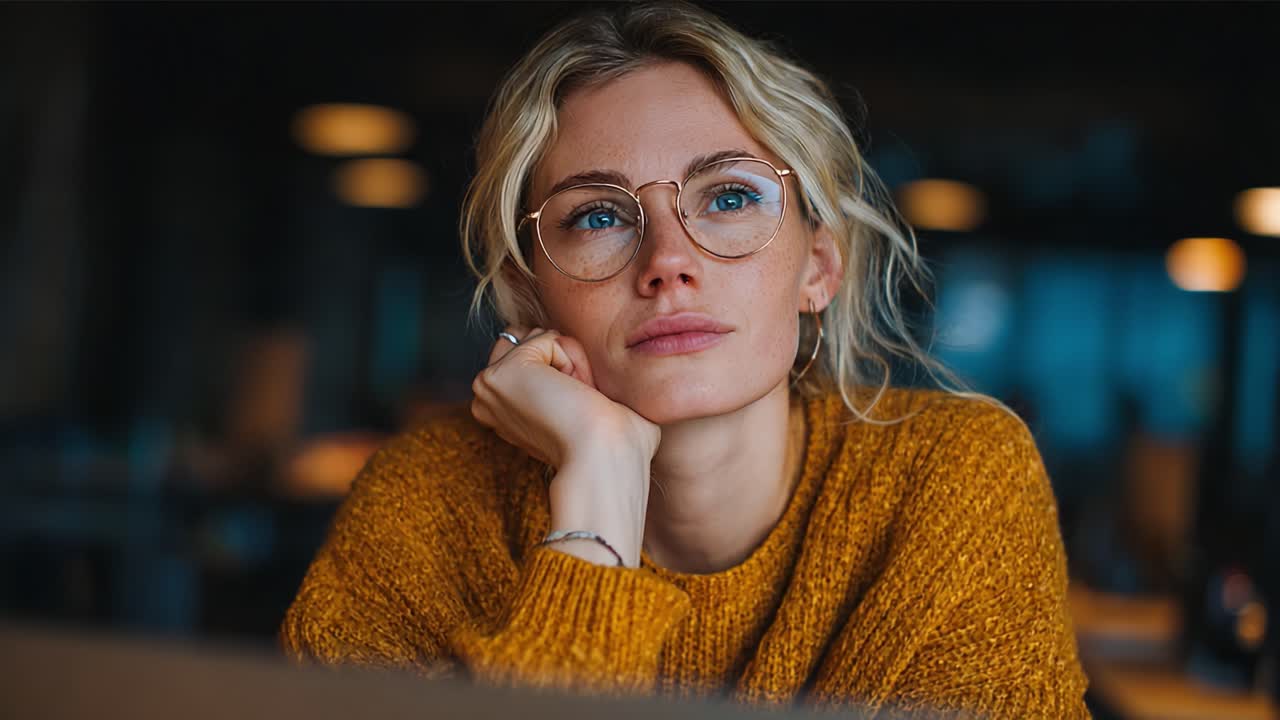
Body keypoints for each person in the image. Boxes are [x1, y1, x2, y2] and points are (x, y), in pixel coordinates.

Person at [279, 2, 1090, 717]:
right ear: (530, 295)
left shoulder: (953, 483)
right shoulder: (425, 502)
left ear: (818, 266)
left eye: (730, 197)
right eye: (598, 216)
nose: (668, 260)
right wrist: (596, 492)